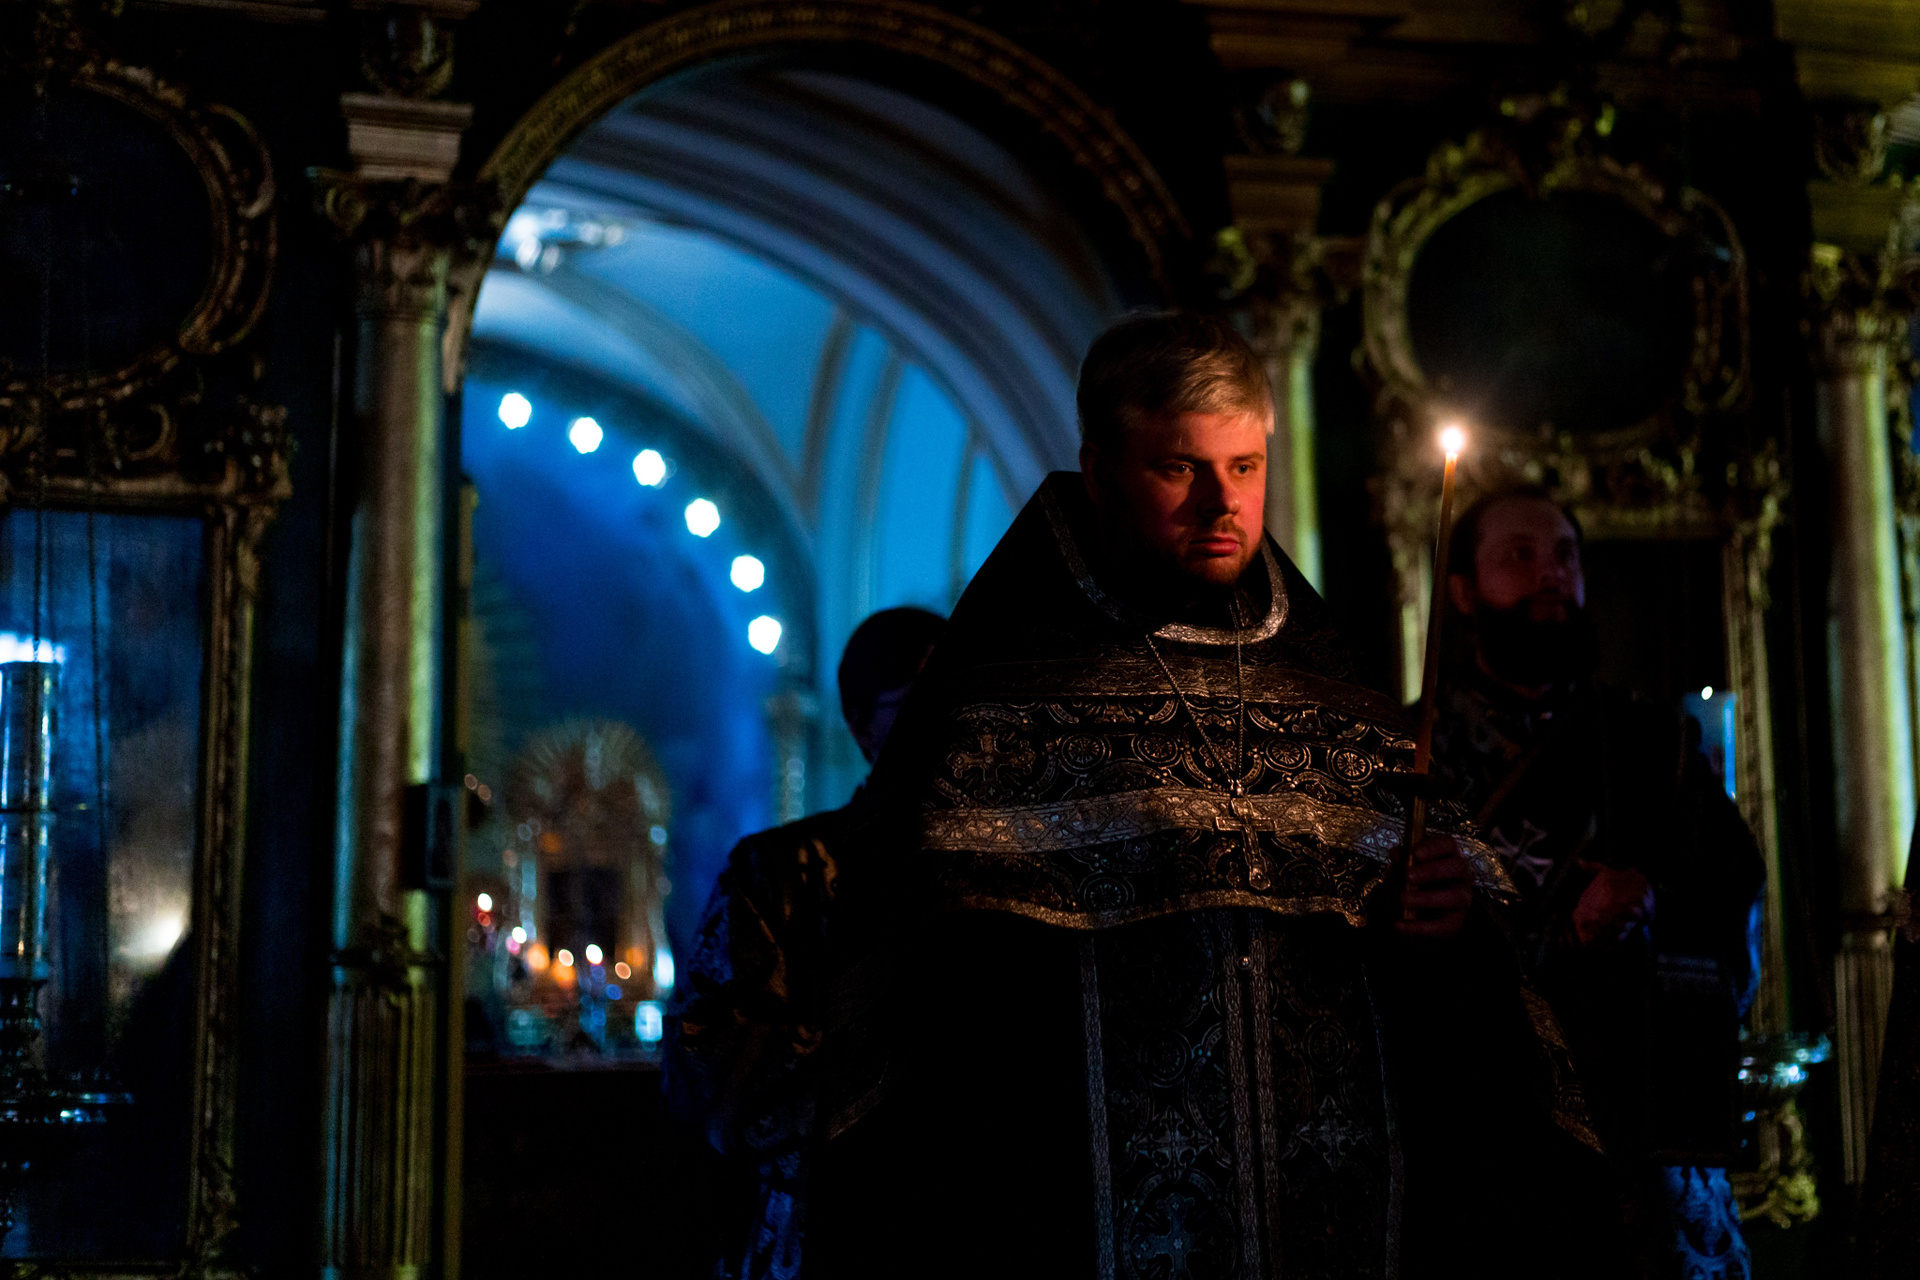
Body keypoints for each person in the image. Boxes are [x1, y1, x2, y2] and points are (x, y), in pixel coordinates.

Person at [807, 312, 1621, 1280]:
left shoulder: (1323, 686)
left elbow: (1454, 985)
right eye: (1177, 468)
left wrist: (1446, 918)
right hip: (1082, 1217)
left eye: (1243, 466)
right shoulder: (1003, 693)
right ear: (1099, 470)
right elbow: (914, 990)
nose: (1221, 503)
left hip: (1336, 1225)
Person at [1428, 485, 1766, 1279]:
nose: (1551, 574)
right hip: (1481, 1136)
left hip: (1641, 1135)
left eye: (1565, 556)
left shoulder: (1653, 744)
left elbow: (1732, 888)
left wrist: (1649, 901)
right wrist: (1545, 936)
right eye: (1520, 556)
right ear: (1464, 592)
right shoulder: (1414, 753)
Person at [664, 606, 945, 1280]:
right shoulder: (776, 874)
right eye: (919, 704)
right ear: (861, 725)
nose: (948, 726)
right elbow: (712, 1072)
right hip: (817, 1236)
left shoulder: (1009, 873)